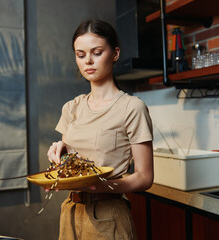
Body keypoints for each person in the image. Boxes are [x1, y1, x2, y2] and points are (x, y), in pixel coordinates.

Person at [47, 19, 154, 240]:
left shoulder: (132, 107)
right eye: (80, 54)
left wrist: (101, 187)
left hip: (109, 217)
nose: (88, 61)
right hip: (70, 212)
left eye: (97, 52)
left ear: (115, 54)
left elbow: (144, 177)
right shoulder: (71, 108)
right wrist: (58, 155)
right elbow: (68, 165)